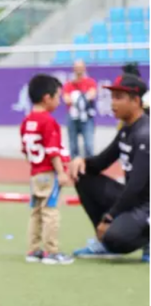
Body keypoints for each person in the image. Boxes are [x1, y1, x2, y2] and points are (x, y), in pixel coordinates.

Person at [70, 74, 149, 262]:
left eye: (119, 98)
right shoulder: (126, 129)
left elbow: (136, 186)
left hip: (147, 205)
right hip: (136, 201)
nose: (113, 103)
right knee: (83, 175)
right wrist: (82, 161)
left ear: (136, 101)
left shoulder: (146, 134)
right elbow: (101, 162)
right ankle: (105, 242)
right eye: (112, 97)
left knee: (116, 238)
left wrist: (109, 218)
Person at [20, 74, 74, 265]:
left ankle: (33, 249)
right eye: (57, 97)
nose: (59, 102)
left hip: (35, 173)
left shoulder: (27, 121)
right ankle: (51, 252)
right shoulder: (48, 122)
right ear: (47, 98)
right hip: (49, 174)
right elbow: (52, 151)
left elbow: (25, 150)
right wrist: (61, 172)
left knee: (36, 212)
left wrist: (36, 167)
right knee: (51, 212)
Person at [63, 59, 97, 158]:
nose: (79, 70)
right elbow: (66, 99)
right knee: (73, 146)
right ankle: (75, 169)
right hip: (72, 117)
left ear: (84, 68)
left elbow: (92, 94)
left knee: (89, 145)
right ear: (73, 69)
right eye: (77, 68)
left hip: (87, 117)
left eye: (81, 67)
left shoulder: (90, 82)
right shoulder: (69, 84)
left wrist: (76, 97)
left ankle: (89, 169)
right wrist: (81, 97)